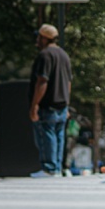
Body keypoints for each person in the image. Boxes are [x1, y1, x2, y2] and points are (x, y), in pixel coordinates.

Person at [29, 23, 72, 178]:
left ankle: (49, 168)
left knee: (47, 136)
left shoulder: (45, 55)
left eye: (39, 37)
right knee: (58, 137)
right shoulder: (63, 55)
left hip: (48, 104)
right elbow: (68, 82)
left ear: (44, 38)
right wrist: (67, 104)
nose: (37, 40)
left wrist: (34, 105)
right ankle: (56, 168)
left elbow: (42, 81)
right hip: (61, 105)